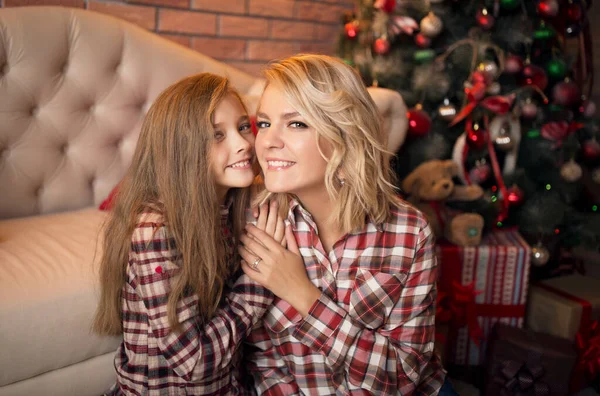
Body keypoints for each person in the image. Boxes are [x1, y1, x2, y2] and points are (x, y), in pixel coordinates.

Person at [238, 54, 451, 395]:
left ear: (345, 137)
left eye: (296, 124)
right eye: (264, 123)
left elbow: (403, 376)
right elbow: (263, 363)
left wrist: (302, 295)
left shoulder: (409, 232)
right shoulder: (257, 222)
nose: (268, 141)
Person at [92, 73, 279, 395]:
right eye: (217, 135)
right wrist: (261, 279)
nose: (243, 144)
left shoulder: (230, 203)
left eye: (243, 126)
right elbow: (193, 363)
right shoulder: (156, 231)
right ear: (183, 150)